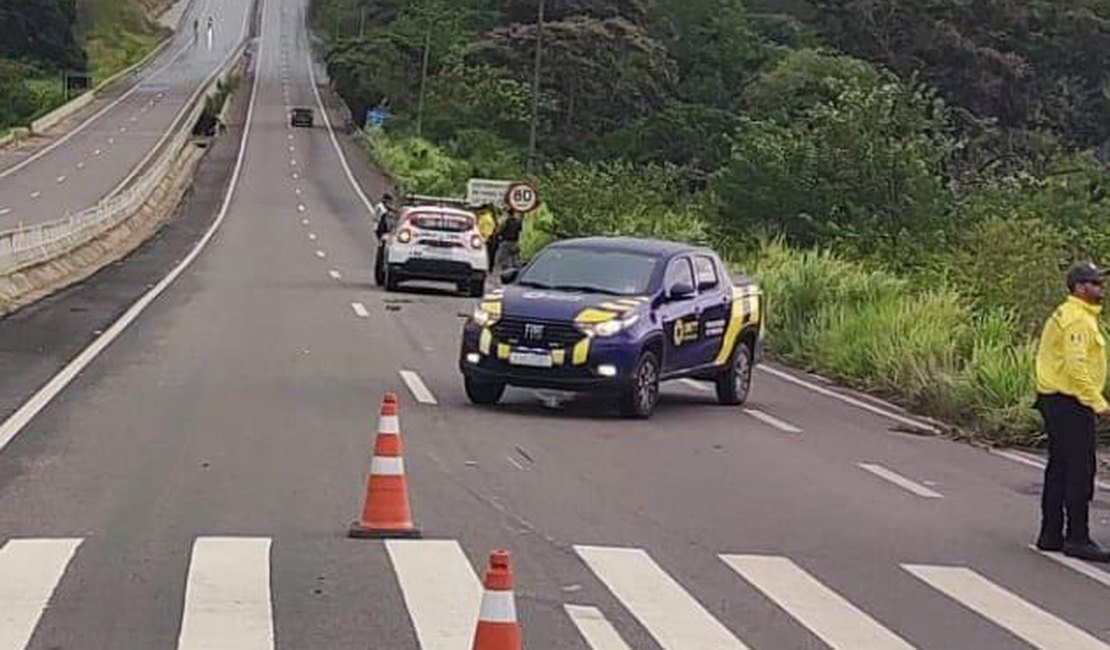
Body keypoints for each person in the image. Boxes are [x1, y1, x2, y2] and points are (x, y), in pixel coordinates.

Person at [1033, 261, 1110, 562]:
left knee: (1060, 468)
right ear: (1080, 287)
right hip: (1070, 401)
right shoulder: (1077, 319)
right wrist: (1098, 403)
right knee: (1080, 470)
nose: (1101, 288)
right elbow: (1077, 367)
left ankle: (1051, 533)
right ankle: (1077, 537)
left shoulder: (1071, 314)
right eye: (1095, 283)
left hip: (1057, 399)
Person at [492, 210, 522, 277]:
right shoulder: (518, 221)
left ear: (508, 214)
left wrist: (498, 234)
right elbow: (520, 230)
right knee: (515, 259)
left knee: (499, 258)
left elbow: (499, 230)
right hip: (515, 242)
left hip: (506, 242)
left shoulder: (506, 221)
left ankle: (499, 274)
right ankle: (519, 273)